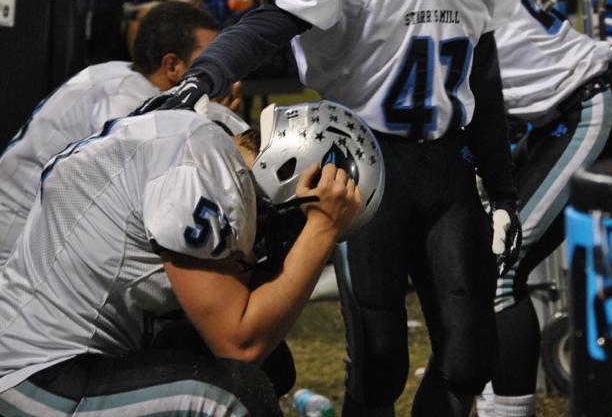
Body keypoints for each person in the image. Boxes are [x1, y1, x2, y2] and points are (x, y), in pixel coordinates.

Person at [134, 0, 533, 414]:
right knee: (380, 360)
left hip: (445, 163)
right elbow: (265, 25)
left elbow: (483, 77)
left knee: (471, 354)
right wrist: (203, 77)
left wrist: (502, 189)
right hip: (364, 167)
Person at [0, 99, 383, 415]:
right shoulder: (199, 164)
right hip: (34, 380)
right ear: (291, 171)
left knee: (273, 363)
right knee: (237, 395)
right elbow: (239, 343)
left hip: (60, 356)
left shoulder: (202, 144)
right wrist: (322, 230)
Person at [474, 0, 612, 417]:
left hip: (592, 100)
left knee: (500, 267)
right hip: (565, 109)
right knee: (488, 258)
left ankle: (507, 411)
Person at [0, 0, 223, 265]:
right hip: (15, 247)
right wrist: (213, 124)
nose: (221, 71)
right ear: (172, 66)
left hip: (33, 234)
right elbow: (138, 202)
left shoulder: (120, 74)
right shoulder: (127, 102)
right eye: (210, 61)